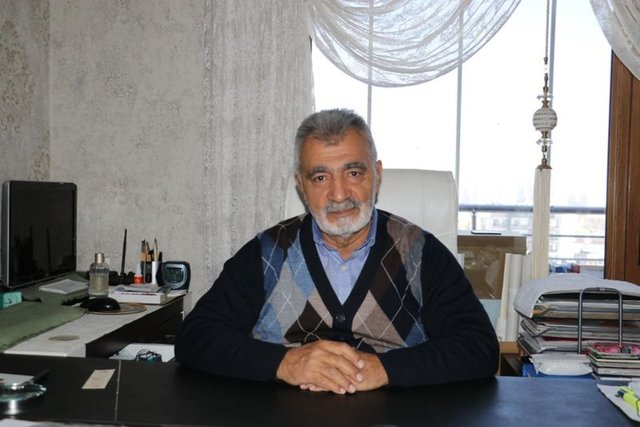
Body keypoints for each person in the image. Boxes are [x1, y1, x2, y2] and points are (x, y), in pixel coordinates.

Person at [175, 108, 499, 394]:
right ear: (301, 186)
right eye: (320, 177)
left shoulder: (421, 253)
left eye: (353, 173)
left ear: (377, 175)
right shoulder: (267, 254)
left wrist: (384, 369)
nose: (339, 194)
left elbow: (480, 348)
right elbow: (195, 338)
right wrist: (286, 363)